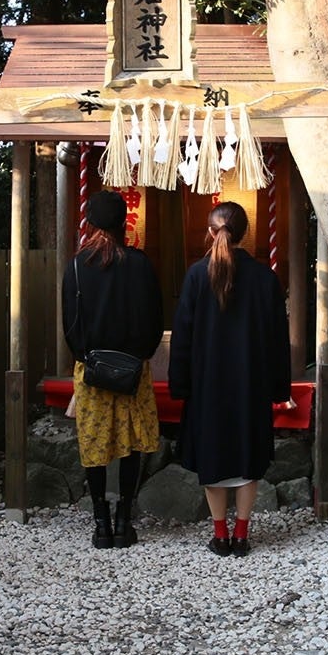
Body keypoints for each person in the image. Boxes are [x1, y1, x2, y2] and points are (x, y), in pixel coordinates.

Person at [169, 201, 291, 556]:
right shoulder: (265, 279)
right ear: (245, 233)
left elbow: (183, 337)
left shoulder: (196, 276)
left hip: (207, 386)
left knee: (213, 459)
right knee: (247, 458)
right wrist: (278, 387)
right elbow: (277, 339)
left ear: (211, 232)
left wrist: (181, 384)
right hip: (250, 385)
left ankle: (219, 534)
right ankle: (242, 534)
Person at [62, 190, 164, 548]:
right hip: (133, 367)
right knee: (132, 442)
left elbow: (70, 324)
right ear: (124, 222)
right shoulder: (140, 264)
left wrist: (85, 356)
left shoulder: (76, 266)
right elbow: (155, 319)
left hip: (91, 369)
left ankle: (100, 522)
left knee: (94, 443)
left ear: (89, 222)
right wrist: (141, 354)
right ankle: (124, 518)